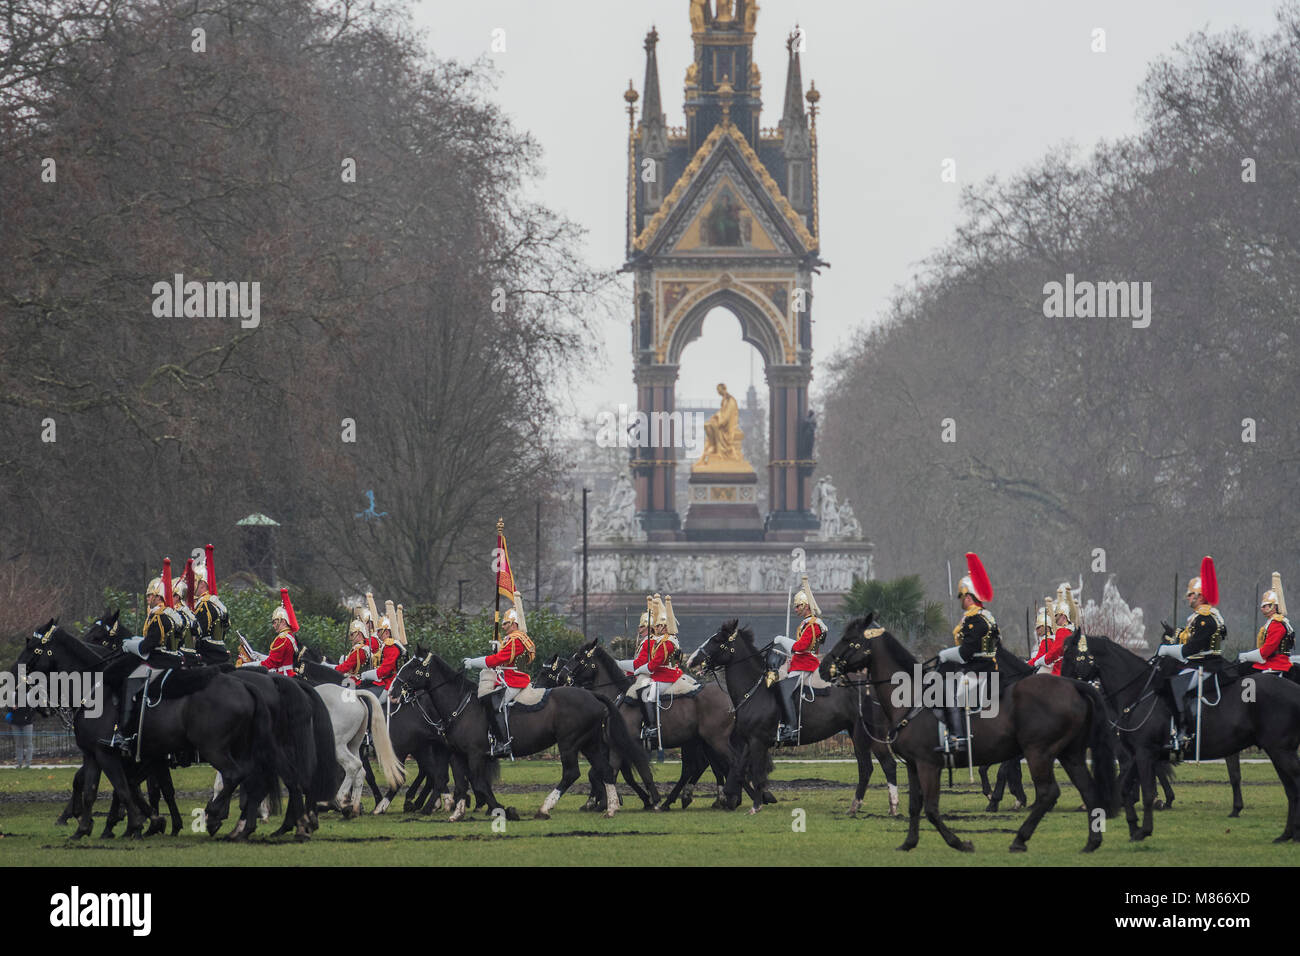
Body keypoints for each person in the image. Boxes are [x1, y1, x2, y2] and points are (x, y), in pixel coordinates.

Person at [1157, 556, 1227, 754]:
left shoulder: (1205, 618)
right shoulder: (1199, 617)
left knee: (1174, 688)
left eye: (1191, 595)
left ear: (1200, 596)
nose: (1188, 598)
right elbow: (1188, 638)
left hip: (1205, 666)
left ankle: (1183, 732)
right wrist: (1174, 635)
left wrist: (1166, 649)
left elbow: (1191, 649)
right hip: (1195, 665)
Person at [935, 552, 1000, 751]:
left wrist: (944, 655)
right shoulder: (985, 615)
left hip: (978, 668)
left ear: (969, 597)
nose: (960, 601)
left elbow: (966, 652)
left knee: (949, 693)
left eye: (962, 597)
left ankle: (959, 737)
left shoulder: (975, 620)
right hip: (984, 665)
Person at [107, 575, 178, 753]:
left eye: (149, 596)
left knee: (129, 684)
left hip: (159, 661)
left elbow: (146, 648)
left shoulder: (158, 616)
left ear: (158, 596)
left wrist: (128, 644)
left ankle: (124, 733)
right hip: (172, 658)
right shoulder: (171, 614)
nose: (147, 599)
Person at [463, 592, 535, 757]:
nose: (503, 627)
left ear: (514, 623)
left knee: (494, 705)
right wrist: (500, 645)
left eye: (506, 624)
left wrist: (474, 662)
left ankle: (503, 743)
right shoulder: (518, 639)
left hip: (513, 680)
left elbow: (497, 660)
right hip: (510, 677)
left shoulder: (516, 640)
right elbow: (507, 658)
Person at [773, 575, 826, 744]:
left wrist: (783, 640)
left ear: (805, 606)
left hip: (805, 664)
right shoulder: (807, 623)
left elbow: (802, 646)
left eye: (797, 607)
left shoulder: (812, 624)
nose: (795, 610)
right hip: (800, 662)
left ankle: (791, 728)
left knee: (784, 691)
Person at [630, 594, 683, 742]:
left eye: (660, 625)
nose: (657, 628)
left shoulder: (667, 642)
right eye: (657, 625)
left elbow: (655, 664)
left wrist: (639, 670)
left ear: (666, 626)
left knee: (645, 692)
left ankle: (652, 727)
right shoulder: (665, 640)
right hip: (665, 674)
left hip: (666, 676)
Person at [1238, 573, 1293, 674]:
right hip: (1272, 661)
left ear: (1274, 606)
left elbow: (1265, 652)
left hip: (1276, 663)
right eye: (1262, 606)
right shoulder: (1274, 622)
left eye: (1266, 605)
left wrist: (1245, 656)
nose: (1262, 608)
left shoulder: (1276, 624)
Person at [359, 617, 402, 698]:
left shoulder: (391, 646)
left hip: (391, 683)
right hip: (386, 680)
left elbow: (385, 670)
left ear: (386, 632)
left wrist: (366, 675)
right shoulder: (386, 645)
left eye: (379, 631)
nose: (377, 633)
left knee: (373, 702)